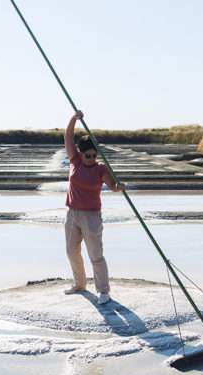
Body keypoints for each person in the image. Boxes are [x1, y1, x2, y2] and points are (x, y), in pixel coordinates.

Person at [63, 110, 125, 305]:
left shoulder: (100, 169)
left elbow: (112, 186)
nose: (91, 158)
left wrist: (119, 187)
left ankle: (103, 291)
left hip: (91, 216)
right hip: (72, 213)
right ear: (80, 154)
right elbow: (67, 137)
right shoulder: (74, 161)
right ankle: (79, 284)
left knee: (95, 255)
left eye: (94, 155)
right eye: (87, 155)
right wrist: (74, 119)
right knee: (71, 251)